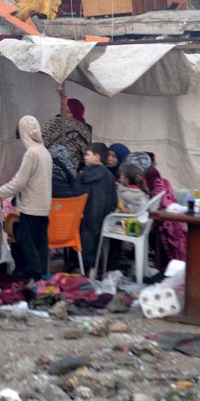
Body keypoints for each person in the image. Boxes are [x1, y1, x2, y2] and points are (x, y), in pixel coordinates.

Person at [0, 116, 52, 280]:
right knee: (40, 243)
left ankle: (36, 276)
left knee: (25, 240)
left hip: (31, 206)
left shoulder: (32, 153)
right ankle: (42, 276)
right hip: (43, 207)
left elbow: (19, 183)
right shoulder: (44, 151)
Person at [78, 142, 118, 272]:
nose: (84, 157)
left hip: (82, 221)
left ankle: (78, 267)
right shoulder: (110, 176)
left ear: (97, 157)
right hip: (103, 223)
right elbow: (113, 202)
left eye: (87, 154)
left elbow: (76, 196)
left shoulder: (84, 176)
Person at [42, 97, 92, 172]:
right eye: (63, 111)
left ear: (76, 113)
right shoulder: (56, 123)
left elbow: (85, 153)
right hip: (47, 166)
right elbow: (42, 141)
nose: (64, 114)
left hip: (68, 172)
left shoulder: (83, 130)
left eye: (68, 111)